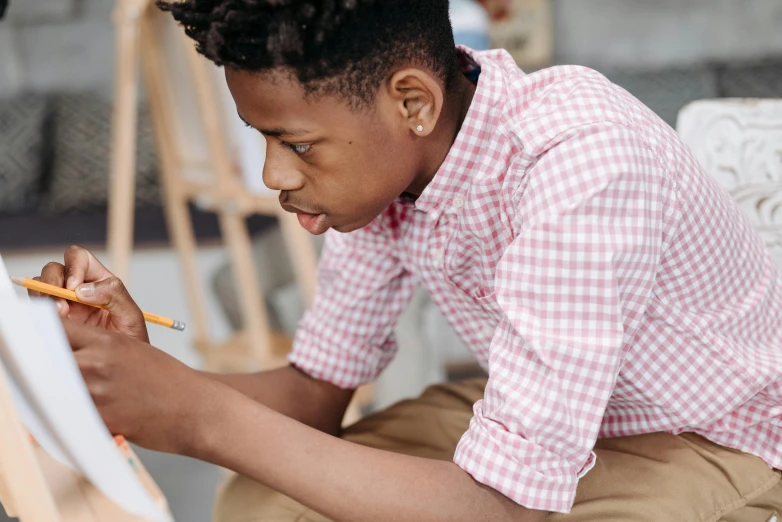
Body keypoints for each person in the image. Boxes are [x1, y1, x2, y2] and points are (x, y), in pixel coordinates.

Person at [32, 1, 782, 521]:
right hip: (556, 427)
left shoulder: (577, 167)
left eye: (295, 144)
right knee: (267, 504)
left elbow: (502, 506)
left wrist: (197, 418)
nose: (274, 176)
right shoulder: (390, 172)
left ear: (412, 104)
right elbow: (313, 394)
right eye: (262, 140)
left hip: (714, 441)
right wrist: (152, 376)